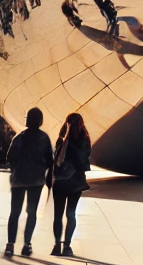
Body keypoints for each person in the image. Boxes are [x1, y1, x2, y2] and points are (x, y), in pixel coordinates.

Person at [5, 108, 53, 257]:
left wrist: (17, 169)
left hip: (18, 179)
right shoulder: (44, 138)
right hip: (36, 180)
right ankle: (27, 244)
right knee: (31, 212)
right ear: (40, 120)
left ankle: (10, 244)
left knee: (15, 212)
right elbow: (50, 161)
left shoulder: (19, 137)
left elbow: (10, 158)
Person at [49, 113, 91, 256]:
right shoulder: (85, 140)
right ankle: (67, 246)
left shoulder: (61, 140)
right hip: (76, 182)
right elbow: (86, 157)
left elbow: (55, 158)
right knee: (71, 213)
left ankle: (56, 245)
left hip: (60, 182)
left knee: (57, 215)